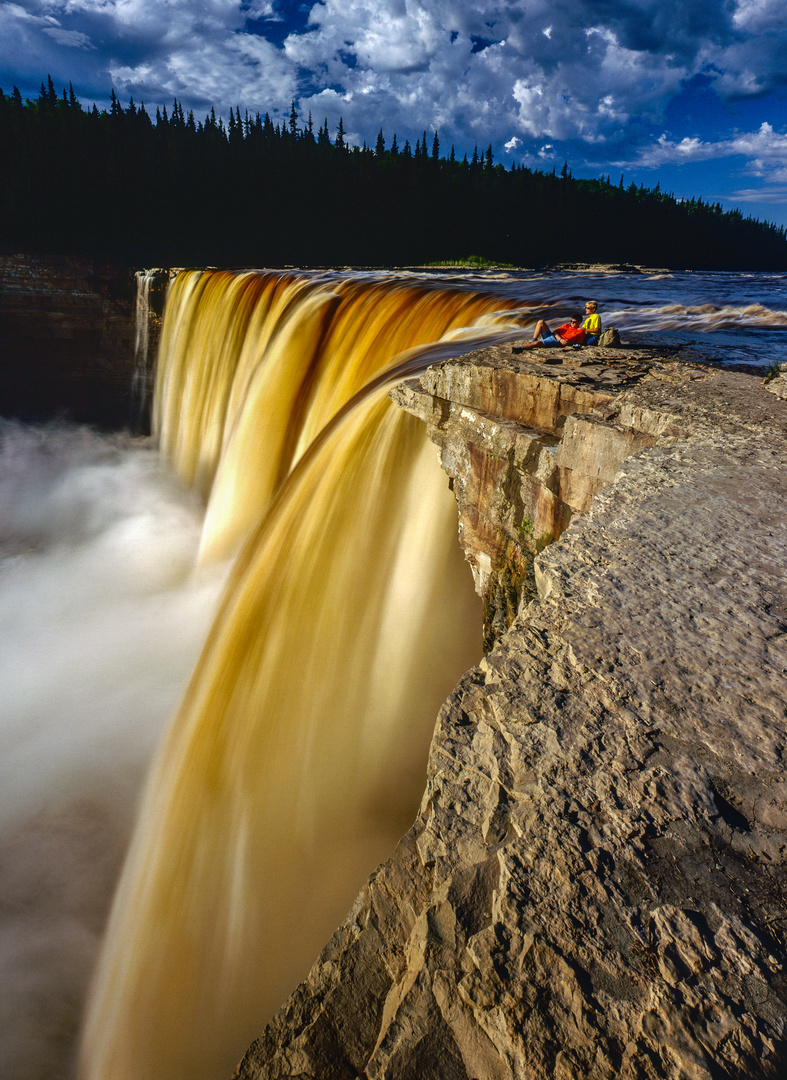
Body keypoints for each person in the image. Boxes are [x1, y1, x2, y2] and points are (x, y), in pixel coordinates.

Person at [520, 314, 586, 350]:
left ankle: (520, 348)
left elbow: (579, 343)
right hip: (553, 336)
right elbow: (555, 331)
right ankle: (533, 340)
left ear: (579, 322)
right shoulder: (566, 325)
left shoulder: (580, 331)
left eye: (574, 322)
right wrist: (561, 339)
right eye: (571, 321)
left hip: (555, 342)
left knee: (537, 343)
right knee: (541, 322)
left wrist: (569, 343)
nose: (571, 323)